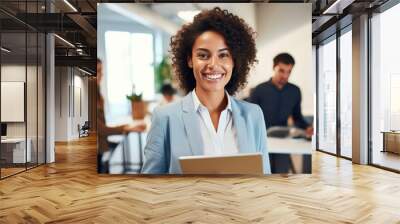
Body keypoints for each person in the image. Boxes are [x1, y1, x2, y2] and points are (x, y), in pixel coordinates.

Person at [141, 7, 271, 174]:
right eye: (203, 55)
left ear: (235, 61)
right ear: (189, 60)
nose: (213, 65)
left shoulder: (253, 115)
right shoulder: (165, 118)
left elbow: (265, 178)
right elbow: (150, 184)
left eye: (223, 55)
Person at [97, 59, 146, 173]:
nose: (101, 75)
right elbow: (101, 129)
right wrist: (126, 127)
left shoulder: (98, 94)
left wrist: (127, 126)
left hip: (102, 148)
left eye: (101, 71)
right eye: (98, 71)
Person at [248, 53, 313, 137]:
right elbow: (251, 118)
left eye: (289, 71)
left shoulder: (295, 91)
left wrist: (307, 127)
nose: (285, 76)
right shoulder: (258, 90)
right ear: (273, 67)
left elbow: (297, 118)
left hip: (284, 137)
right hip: (261, 137)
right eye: (281, 71)